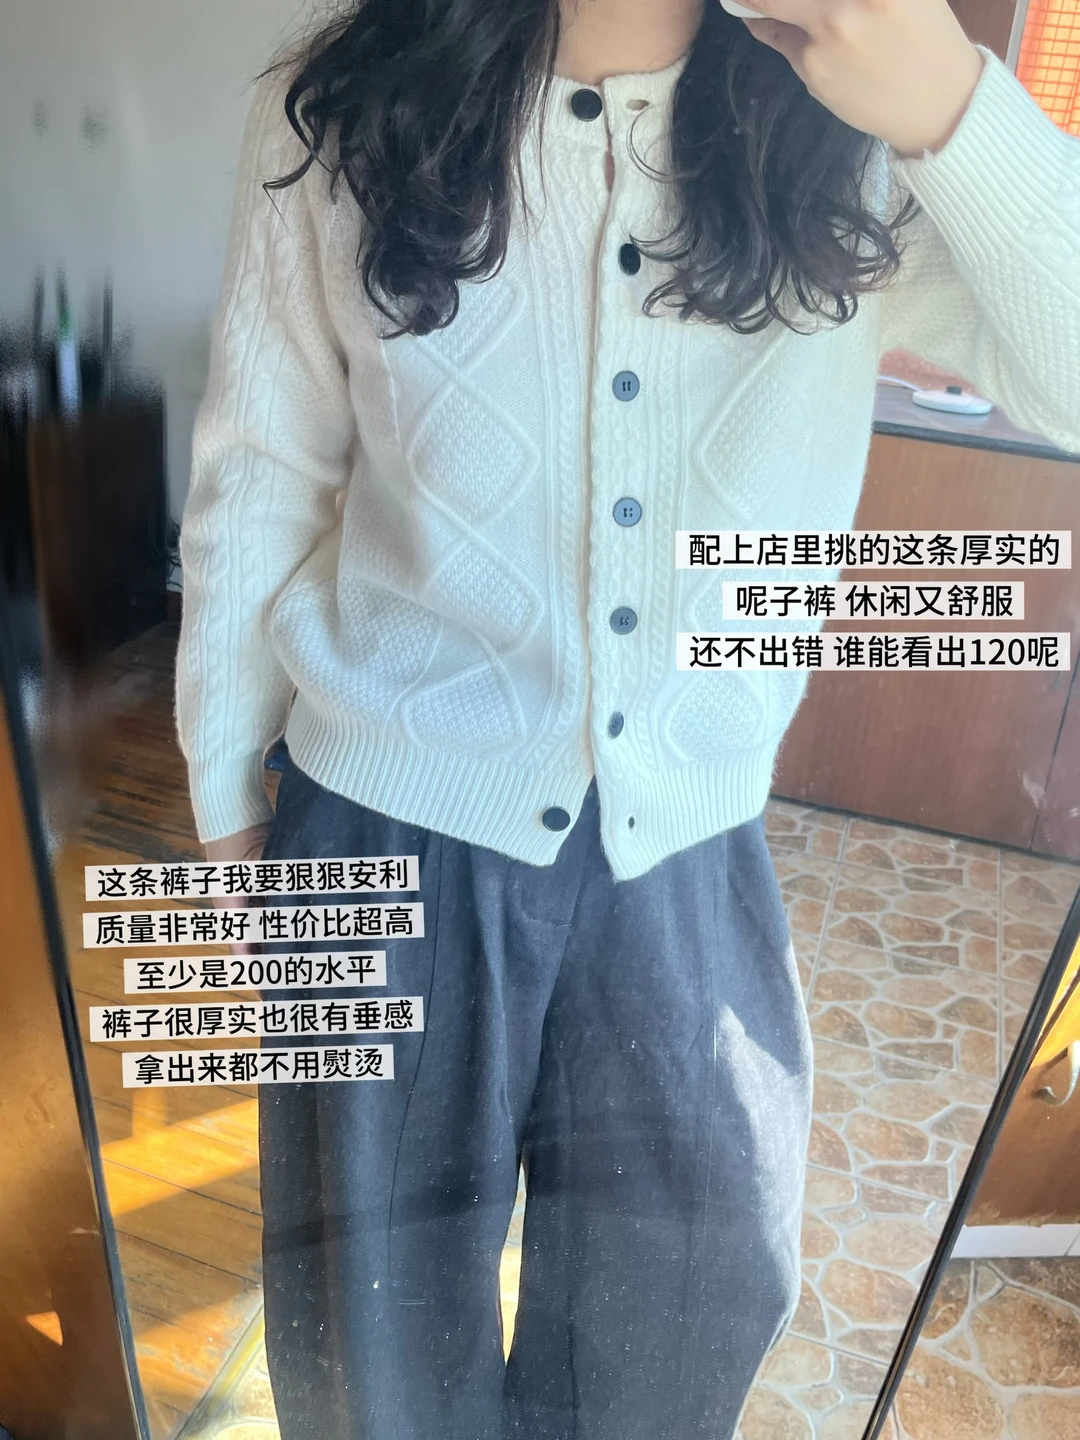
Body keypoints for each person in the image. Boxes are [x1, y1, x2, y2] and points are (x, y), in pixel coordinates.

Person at [175, 1, 1080, 1436]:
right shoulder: (343, 98)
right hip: (375, 821)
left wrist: (952, 109)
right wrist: (229, 797)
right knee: (367, 1348)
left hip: (689, 844)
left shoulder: (851, 121)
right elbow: (265, 462)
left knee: (688, 1306)